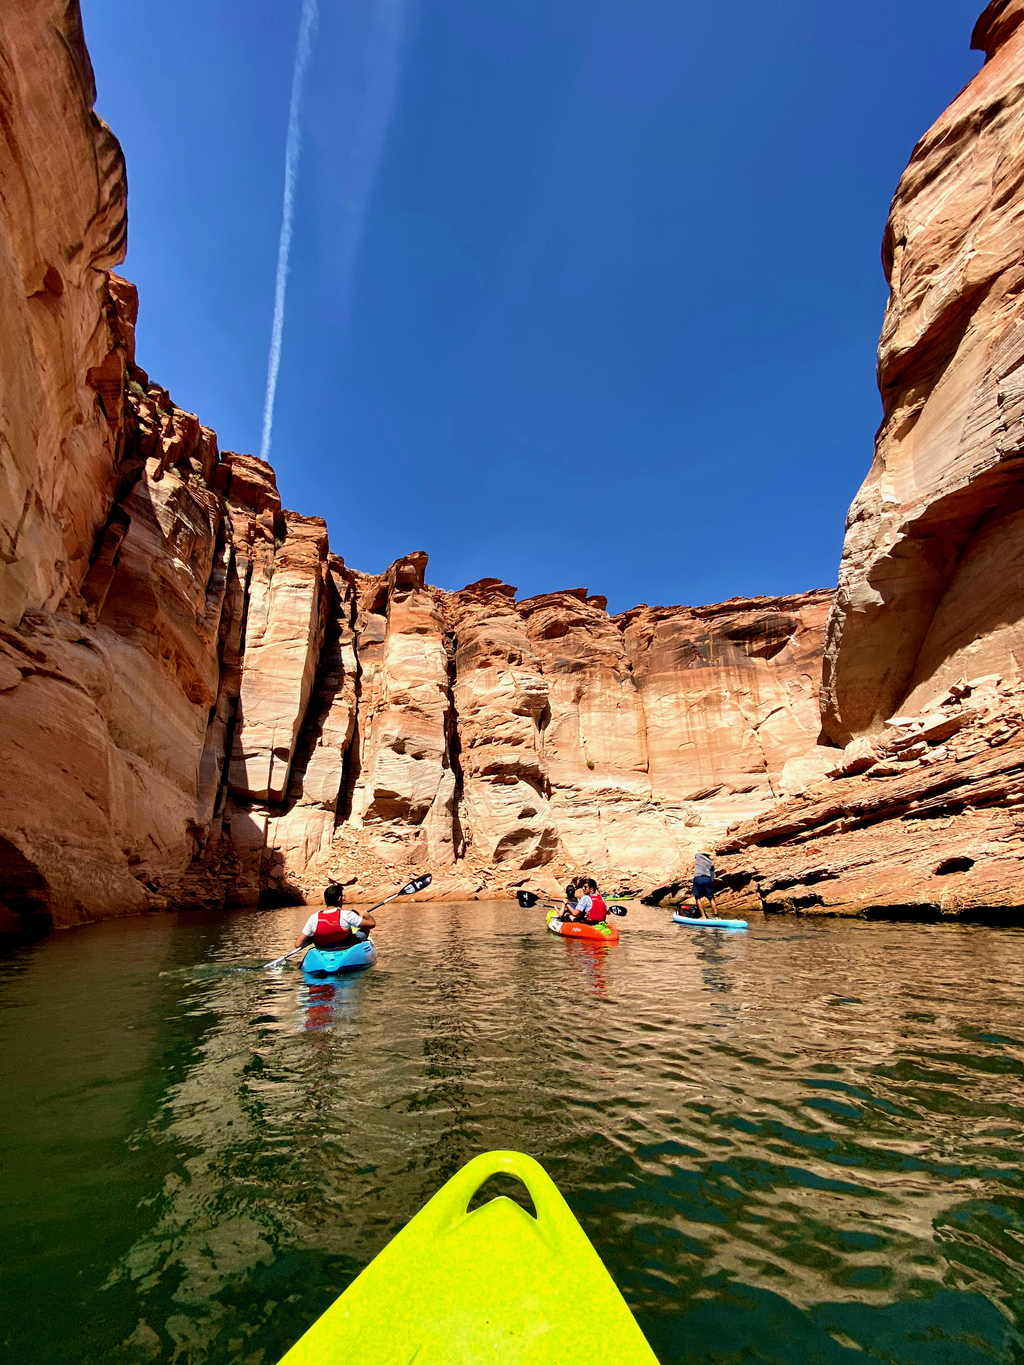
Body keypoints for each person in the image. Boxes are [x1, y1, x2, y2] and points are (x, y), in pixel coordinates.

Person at [294, 883, 376, 951]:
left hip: (323, 948)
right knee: (364, 929)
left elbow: (298, 944)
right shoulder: (347, 915)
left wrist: (314, 938)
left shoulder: (313, 917)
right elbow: (372, 924)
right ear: (339, 899)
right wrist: (365, 914)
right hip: (346, 946)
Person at [691, 850, 719, 919]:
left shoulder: (698, 856)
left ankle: (703, 916)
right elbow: (712, 876)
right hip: (707, 879)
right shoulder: (711, 863)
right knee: (711, 898)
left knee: (697, 897)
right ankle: (716, 917)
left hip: (698, 878)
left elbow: (696, 854)